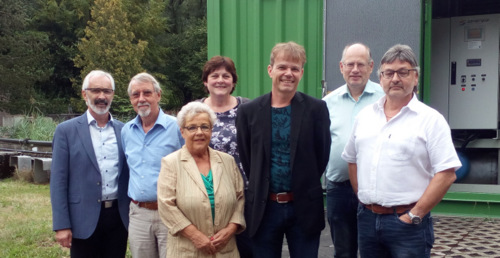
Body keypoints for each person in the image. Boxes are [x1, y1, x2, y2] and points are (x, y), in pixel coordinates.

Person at [341, 44, 462, 257]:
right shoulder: (365, 117)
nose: (395, 78)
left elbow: (446, 173)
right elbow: (352, 160)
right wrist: (362, 197)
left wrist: (415, 215)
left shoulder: (430, 120)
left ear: (415, 78)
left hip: (408, 224)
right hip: (368, 220)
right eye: (388, 73)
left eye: (403, 72)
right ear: (380, 78)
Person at [236, 41, 331, 257]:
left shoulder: (316, 109)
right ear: (270, 70)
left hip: (304, 207)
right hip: (264, 208)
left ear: (301, 73)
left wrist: (301, 182)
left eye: (294, 68)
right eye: (282, 67)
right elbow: (247, 158)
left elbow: (321, 155)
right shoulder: (249, 112)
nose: (288, 73)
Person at [50, 70, 130, 257]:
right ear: (84, 94)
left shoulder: (124, 130)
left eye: (107, 91)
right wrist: (62, 225)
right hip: (82, 218)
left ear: (113, 95)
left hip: (118, 218)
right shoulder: (66, 131)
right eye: (96, 90)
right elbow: (58, 181)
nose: (102, 96)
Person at [157, 101, 246, 257]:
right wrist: (195, 235)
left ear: (211, 130)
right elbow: (166, 204)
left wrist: (231, 228)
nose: (199, 132)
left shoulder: (227, 161)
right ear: (182, 131)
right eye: (192, 127)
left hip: (225, 250)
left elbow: (240, 197)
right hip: (188, 250)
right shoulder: (171, 163)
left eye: (205, 127)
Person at [322, 42, 384, 258]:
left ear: (371, 66)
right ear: (341, 67)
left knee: (373, 249)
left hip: (375, 188)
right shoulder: (328, 103)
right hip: (338, 188)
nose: (355, 69)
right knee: (343, 251)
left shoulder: (385, 97)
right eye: (350, 64)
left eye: (361, 64)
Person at [121, 72, 184, 258]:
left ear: (158, 95)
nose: (141, 99)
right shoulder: (126, 131)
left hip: (171, 212)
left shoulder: (177, 127)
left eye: (147, 93)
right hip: (139, 214)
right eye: (135, 94)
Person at [199, 55, 252, 257]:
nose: (220, 80)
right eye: (214, 75)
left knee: (247, 250)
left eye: (226, 75)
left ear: (233, 81)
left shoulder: (248, 109)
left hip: (243, 194)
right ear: (206, 81)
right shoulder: (195, 110)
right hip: (206, 195)